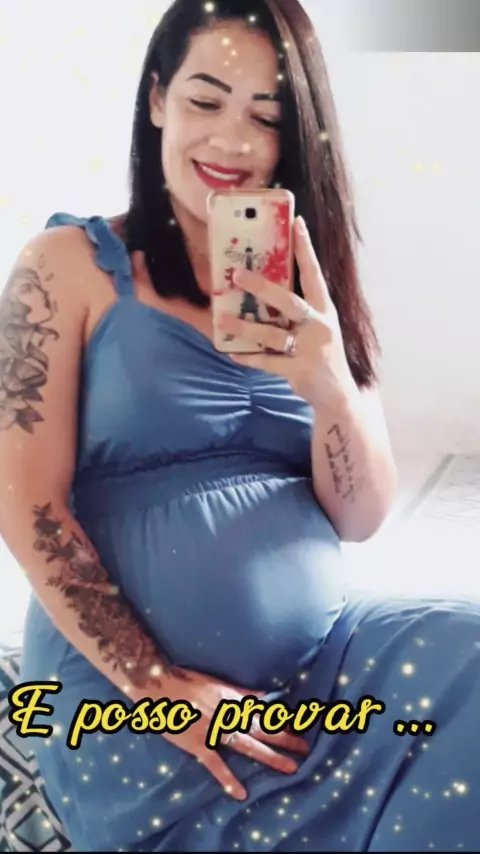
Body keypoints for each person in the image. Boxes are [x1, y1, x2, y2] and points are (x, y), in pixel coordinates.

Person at [1, 0, 479, 851]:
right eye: (205, 100)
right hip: (137, 697)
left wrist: (331, 388)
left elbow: (361, 517)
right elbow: (23, 498)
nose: (233, 141)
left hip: (322, 678)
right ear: (158, 98)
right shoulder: (67, 267)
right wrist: (159, 686)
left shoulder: (311, 285)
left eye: (265, 116)